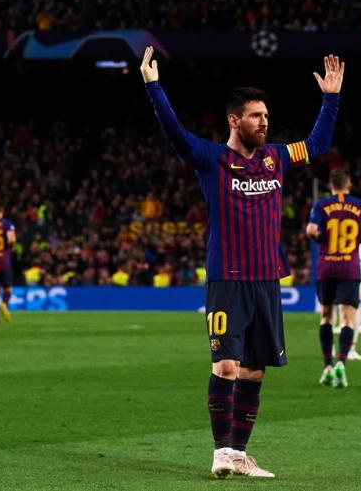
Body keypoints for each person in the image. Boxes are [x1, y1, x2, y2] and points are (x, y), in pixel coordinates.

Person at [141, 46, 343, 479]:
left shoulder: (277, 158)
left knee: (254, 371)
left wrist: (331, 97)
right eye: (255, 116)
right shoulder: (213, 160)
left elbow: (318, 144)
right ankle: (220, 451)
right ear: (235, 120)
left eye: (266, 115)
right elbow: (176, 135)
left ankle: (239, 454)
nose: (264, 122)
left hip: (267, 280)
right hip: (227, 279)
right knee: (226, 365)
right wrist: (154, 87)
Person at [306, 169, 361, 388]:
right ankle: (341, 364)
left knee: (326, 316)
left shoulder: (321, 205)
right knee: (348, 319)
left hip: (326, 266)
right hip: (349, 268)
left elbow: (310, 231)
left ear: (330, 186)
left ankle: (327, 365)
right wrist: (357, 239)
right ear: (349, 185)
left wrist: (323, 239)